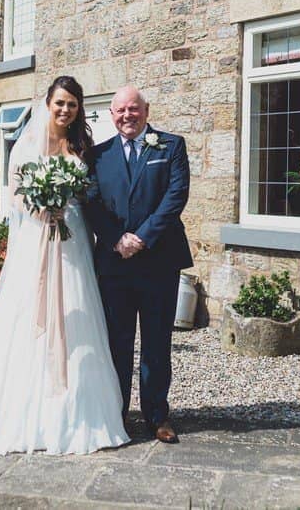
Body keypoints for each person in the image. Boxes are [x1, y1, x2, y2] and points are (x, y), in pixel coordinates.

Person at [0, 76, 129, 455]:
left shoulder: (81, 145)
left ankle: (79, 413)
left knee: (79, 312)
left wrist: (68, 206)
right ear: (48, 103)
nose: (65, 110)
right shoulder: (26, 144)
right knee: (27, 314)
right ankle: (25, 410)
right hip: (37, 237)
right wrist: (43, 207)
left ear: (78, 109)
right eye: (60, 103)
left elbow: (89, 193)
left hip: (72, 237)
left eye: (72, 105)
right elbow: (16, 195)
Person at [84, 86, 192, 444]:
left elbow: (175, 196)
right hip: (114, 264)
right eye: (120, 110)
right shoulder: (98, 156)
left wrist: (142, 237)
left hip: (159, 260)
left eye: (133, 109)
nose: (127, 116)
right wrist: (117, 238)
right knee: (117, 342)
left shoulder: (171, 146)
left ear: (146, 110)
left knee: (157, 342)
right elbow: (93, 203)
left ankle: (158, 416)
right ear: (111, 115)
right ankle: (116, 413)